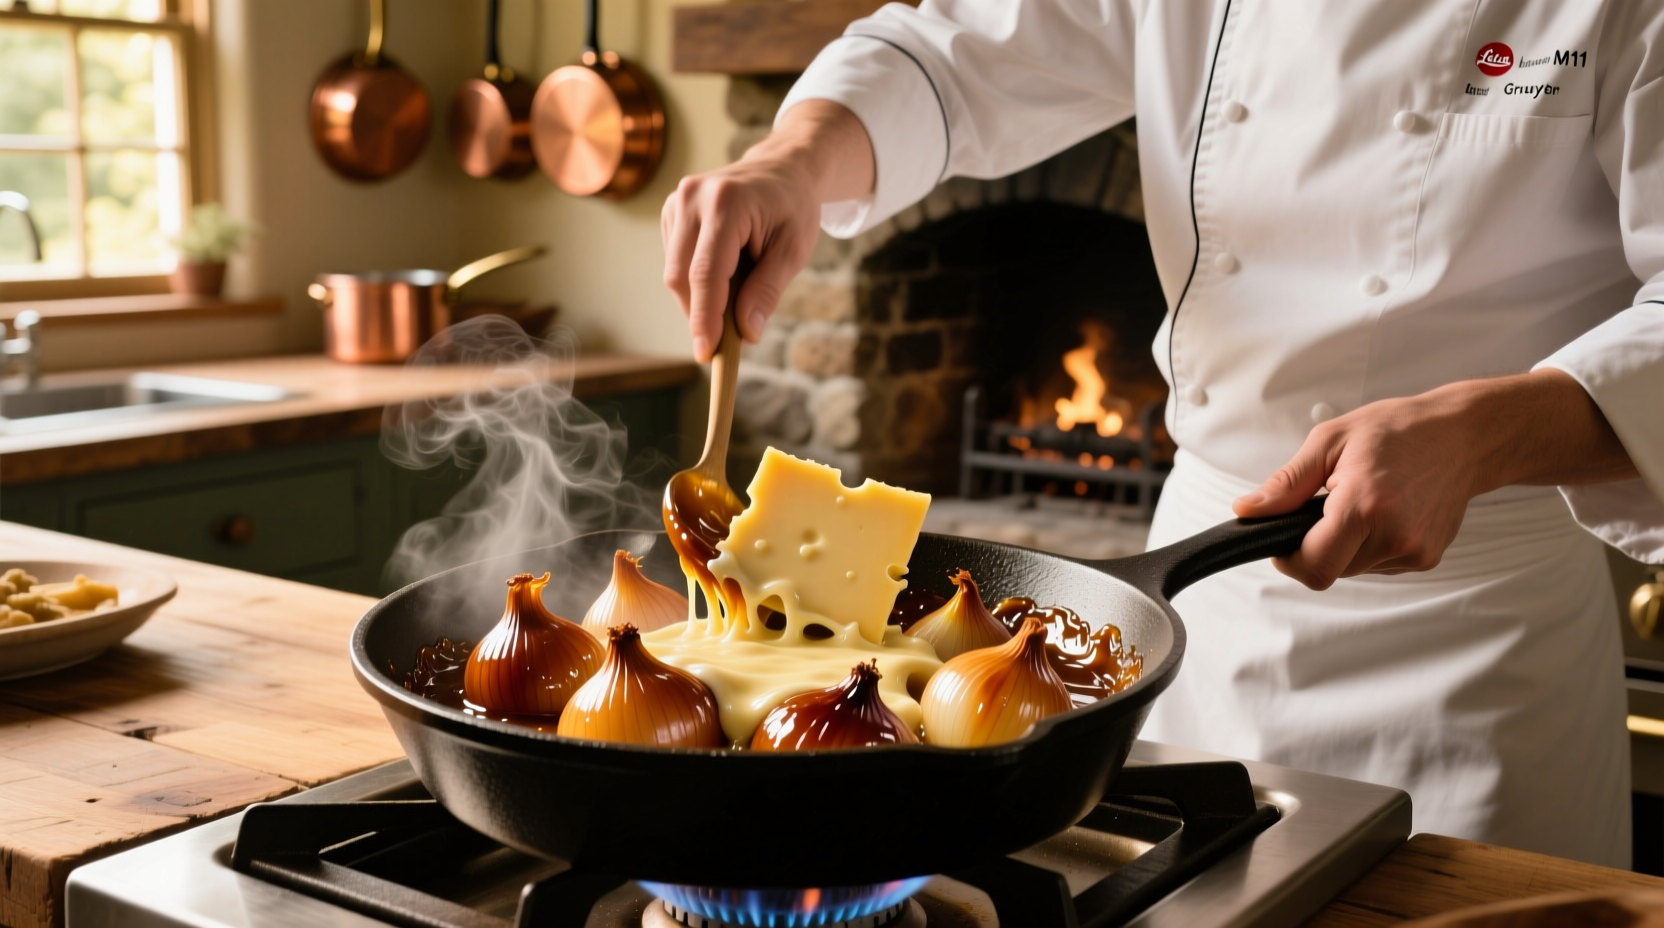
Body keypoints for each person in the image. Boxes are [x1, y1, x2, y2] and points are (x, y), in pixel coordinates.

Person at [660, 1, 1664, 867]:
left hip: (1481, 650)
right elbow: (961, 54)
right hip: (1204, 623)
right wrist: (793, 160)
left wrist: (1481, 432)